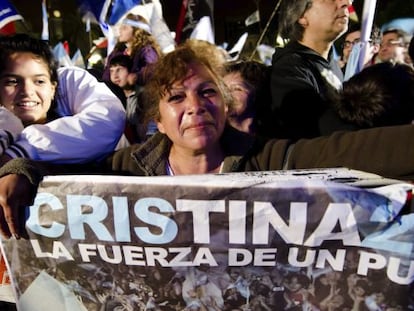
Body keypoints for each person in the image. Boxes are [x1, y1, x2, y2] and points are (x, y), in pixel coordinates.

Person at [3, 39, 414, 238]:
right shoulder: (124, 172)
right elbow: (54, 178)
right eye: (177, 97)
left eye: (207, 92)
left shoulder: (265, 159)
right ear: (157, 122)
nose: (195, 106)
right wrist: (20, 170)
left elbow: (357, 152)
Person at [0, 34, 126, 165]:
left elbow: (107, 119)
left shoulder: (69, 83)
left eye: (39, 81)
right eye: (12, 81)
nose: (27, 91)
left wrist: (23, 149)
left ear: (53, 88)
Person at [269, 0, 350, 140]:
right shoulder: (288, 70)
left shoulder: (331, 64)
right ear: (302, 17)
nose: (346, 3)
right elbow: (319, 130)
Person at [102, 13, 161, 87]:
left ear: (137, 31)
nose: (120, 31)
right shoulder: (117, 52)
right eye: (121, 27)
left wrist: (136, 77)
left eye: (124, 28)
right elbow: (107, 74)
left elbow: (153, 70)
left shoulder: (147, 51)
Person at [222, 59, 272, 136]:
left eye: (236, 89)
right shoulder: (212, 141)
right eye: (223, 89)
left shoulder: (275, 140)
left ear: (257, 93)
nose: (226, 94)